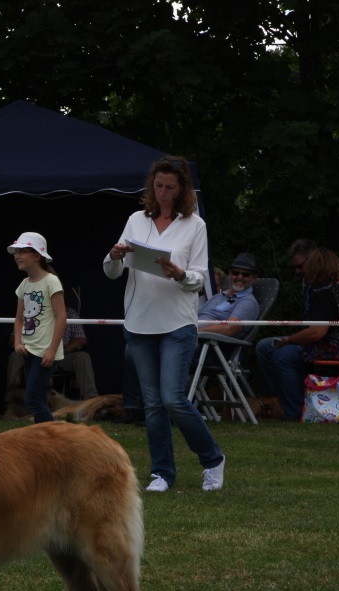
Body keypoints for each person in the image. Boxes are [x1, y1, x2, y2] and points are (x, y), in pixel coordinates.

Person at [103, 155, 226, 493]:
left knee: (173, 399)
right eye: (158, 186)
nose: (163, 192)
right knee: (152, 402)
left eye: (170, 187)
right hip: (139, 321)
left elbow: (200, 279)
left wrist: (180, 273)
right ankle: (162, 473)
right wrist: (113, 257)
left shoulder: (194, 225)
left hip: (177, 323)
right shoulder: (135, 220)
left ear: (182, 189)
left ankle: (212, 459)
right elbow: (113, 270)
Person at [119, 252, 262, 424]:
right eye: (235, 273)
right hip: (190, 337)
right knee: (133, 349)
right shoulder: (220, 297)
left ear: (254, 278)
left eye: (245, 274)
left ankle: (160, 413)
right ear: (230, 274)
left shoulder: (247, 302)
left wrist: (191, 329)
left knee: (153, 352)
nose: (239, 277)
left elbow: (230, 328)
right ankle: (134, 409)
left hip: (210, 347)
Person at [255, 248, 339, 421]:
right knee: (267, 347)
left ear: (317, 268)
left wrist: (289, 340)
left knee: (282, 356)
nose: (302, 272)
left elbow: (315, 333)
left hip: (335, 347)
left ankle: (294, 410)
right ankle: (280, 399)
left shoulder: (326, 293)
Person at [9, 231, 66, 423]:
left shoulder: (51, 281)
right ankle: (47, 442)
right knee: (39, 398)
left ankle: (54, 437)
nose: (17, 256)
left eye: (22, 251)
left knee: (32, 399)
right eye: (16, 252)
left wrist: (51, 350)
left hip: (44, 352)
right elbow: (18, 320)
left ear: (36, 255)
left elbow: (61, 317)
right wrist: (18, 342)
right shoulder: (24, 284)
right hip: (28, 350)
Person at [6, 304, 98, 401]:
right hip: (33, 353)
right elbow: (13, 339)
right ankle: (11, 397)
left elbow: (81, 339)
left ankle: (92, 399)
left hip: (60, 355)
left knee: (83, 357)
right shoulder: (32, 311)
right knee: (15, 356)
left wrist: (64, 350)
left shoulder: (69, 313)